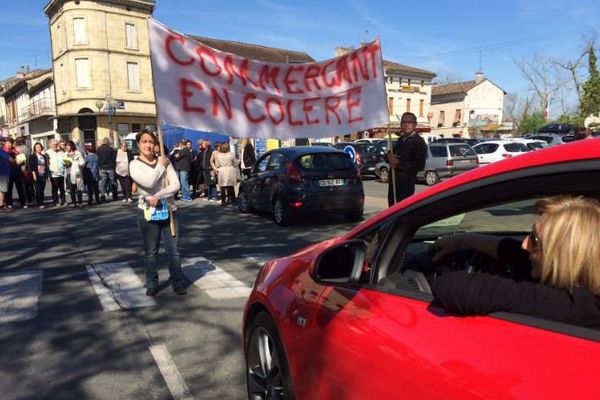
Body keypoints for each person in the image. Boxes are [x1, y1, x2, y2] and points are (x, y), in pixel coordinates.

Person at [429, 195, 600, 329]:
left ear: (563, 255)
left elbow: (453, 287)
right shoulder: (582, 293)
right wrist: (462, 239)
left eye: (534, 239)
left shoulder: (574, 307)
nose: (525, 245)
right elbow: (510, 250)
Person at [130, 129, 186, 296]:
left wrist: (159, 195)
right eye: (144, 141)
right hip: (147, 212)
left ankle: (178, 282)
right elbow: (148, 182)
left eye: (151, 141)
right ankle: (152, 283)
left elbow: (176, 185)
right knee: (151, 251)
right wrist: (161, 166)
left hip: (168, 209)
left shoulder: (164, 161)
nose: (148, 144)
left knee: (174, 249)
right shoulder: (134, 164)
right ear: (138, 145)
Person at [386, 112, 427, 206]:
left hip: (406, 186)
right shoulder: (401, 140)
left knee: (402, 216)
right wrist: (388, 157)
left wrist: (398, 163)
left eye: (409, 122)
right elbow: (392, 156)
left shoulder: (419, 142)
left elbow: (420, 166)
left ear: (415, 124)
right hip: (393, 185)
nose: (406, 125)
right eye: (404, 122)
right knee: (392, 213)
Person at [212, 141, 238, 206]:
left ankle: (223, 202)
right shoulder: (231, 154)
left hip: (222, 170)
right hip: (230, 170)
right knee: (231, 186)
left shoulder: (218, 155)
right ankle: (233, 200)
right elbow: (235, 163)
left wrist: (217, 168)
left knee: (223, 187)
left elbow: (217, 164)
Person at [64, 140, 85, 207]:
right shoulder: (65, 154)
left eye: (68, 145)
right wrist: (66, 164)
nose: (67, 147)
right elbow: (63, 163)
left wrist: (76, 163)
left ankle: (80, 202)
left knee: (79, 187)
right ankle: (73, 202)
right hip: (69, 173)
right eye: (66, 145)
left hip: (77, 173)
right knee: (71, 188)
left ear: (72, 146)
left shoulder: (77, 153)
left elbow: (83, 162)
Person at [28, 143, 49, 208]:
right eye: (37, 147)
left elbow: (46, 166)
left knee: (42, 189)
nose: (39, 148)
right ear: (34, 148)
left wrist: (47, 175)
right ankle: (39, 204)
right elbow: (31, 167)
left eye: (40, 147)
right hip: (36, 175)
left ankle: (41, 202)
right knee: (38, 189)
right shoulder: (32, 156)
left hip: (43, 174)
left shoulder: (43, 156)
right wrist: (34, 175)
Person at [47, 139, 66, 207]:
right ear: (50, 145)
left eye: (56, 144)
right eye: (54, 144)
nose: (56, 146)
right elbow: (47, 164)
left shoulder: (60, 152)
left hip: (61, 172)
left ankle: (63, 201)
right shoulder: (47, 153)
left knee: (62, 188)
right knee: (55, 188)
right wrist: (48, 175)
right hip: (53, 173)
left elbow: (64, 160)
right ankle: (56, 201)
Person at [97, 137, 117, 202]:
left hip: (102, 167)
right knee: (113, 181)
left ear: (103, 142)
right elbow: (114, 159)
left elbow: (98, 159)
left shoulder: (98, 149)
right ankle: (114, 195)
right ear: (108, 142)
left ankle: (103, 196)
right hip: (110, 167)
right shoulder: (111, 149)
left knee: (102, 182)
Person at [0, 136, 13, 211]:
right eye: (2, 141)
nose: (3, 143)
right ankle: (1, 206)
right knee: (2, 190)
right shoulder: (1, 151)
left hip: (3, 172)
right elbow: (10, 159)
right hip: (2, 173)